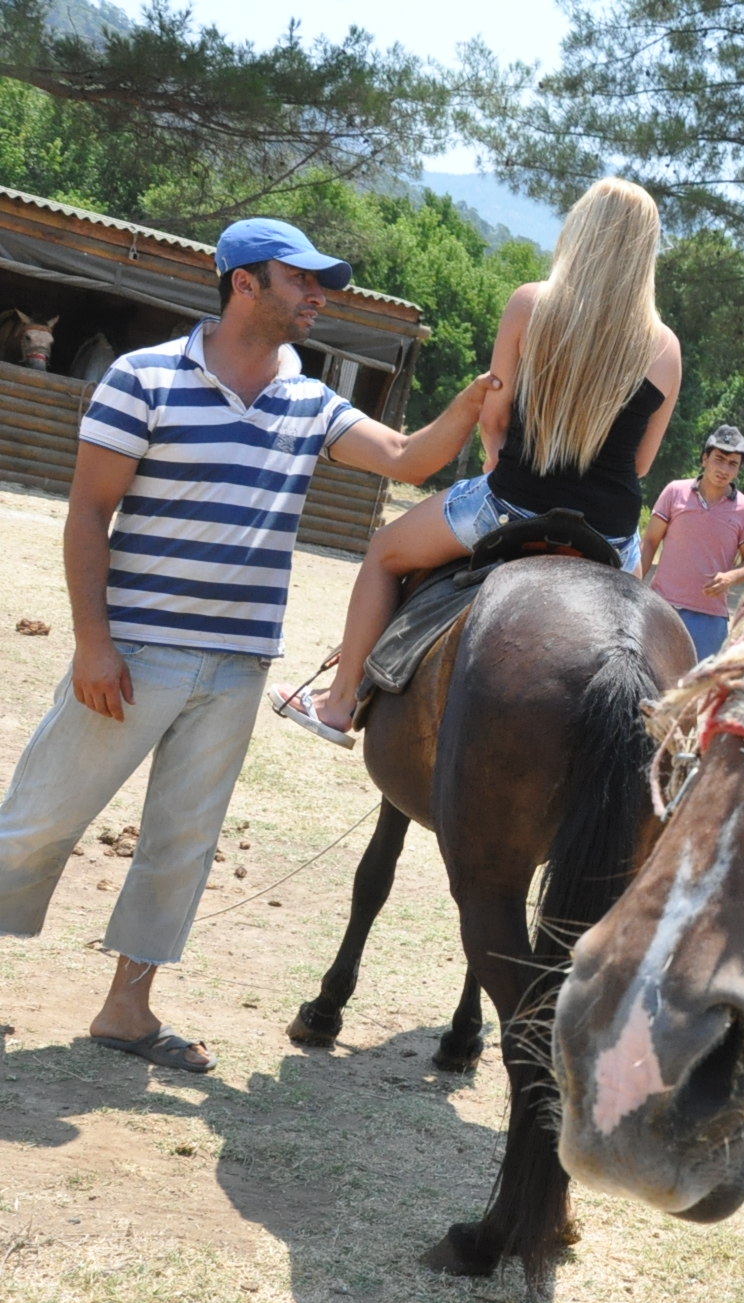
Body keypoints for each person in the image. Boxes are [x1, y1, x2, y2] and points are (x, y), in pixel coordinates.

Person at [0, 218, 497, 1073]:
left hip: (235, 667)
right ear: (243, 284)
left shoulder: (310, 401)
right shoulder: (142, 378)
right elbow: (88, 514)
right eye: (300, 280)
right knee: (41, 820)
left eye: (322, 283)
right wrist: (91, 643)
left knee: (181, 843)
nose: (319, 296)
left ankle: (127, 1010)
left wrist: (484, 394)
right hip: (134, 654)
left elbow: (409, 460)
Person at [272, 177, 682, 744]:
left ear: (581, 231)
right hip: (611, 539)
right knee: (640, 641)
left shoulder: (532, 303)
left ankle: (340, 702)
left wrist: (496, 462)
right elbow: (639, 466)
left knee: (385, 552)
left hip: (513, 505)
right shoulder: (665, 346)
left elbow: (493, 415)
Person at [639, 424, 744, 660]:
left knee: (696, 690)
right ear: (705, 458)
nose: (724, 468)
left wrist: (730, 578)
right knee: (647, 679)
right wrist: (633, 587)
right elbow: (650, 541)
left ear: (739, 469)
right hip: (662, 606)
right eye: (719, 459)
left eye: (732, 463)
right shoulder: (675, 492)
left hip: (710, 617)